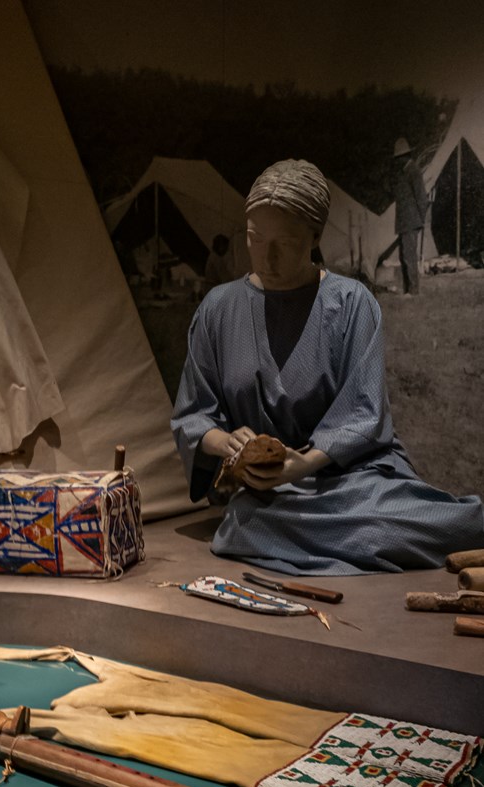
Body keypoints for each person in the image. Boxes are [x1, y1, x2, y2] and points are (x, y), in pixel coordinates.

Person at [170, 158, 483, 575]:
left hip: (351, 480)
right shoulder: (219, 309)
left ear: (315, 236)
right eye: (255, 238)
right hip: (267, 495)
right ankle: (332, 539)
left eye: (286, 241)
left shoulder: (351, 304)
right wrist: (224, 443)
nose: (268, 256)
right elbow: (193, 414)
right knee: (243, 524)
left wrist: (306, 462)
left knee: (412, 522)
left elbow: (364, 412)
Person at [392, 137, 428, 295]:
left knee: (409, 256)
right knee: (404, 256)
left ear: (406, 156)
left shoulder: (413, 170)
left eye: (400, 157)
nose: (398, 161)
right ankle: (408, 289)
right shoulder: (404, 172)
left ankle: (413, 291)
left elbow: (422, 197)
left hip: (411, 222)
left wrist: (420, 220)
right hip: (404, 223)